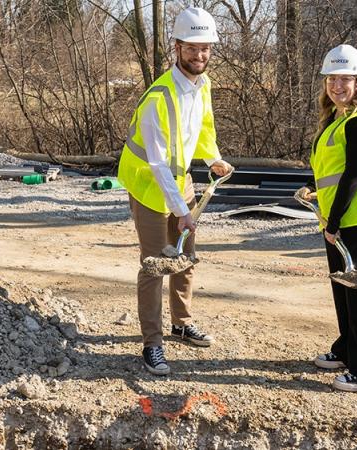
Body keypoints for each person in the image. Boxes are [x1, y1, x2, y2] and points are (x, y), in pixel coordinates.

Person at [118, 7, 234, 376]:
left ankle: (181, 323)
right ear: (177, 47)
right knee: (155, 265)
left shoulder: (204, 85)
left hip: (179, 180)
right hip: (149, 185)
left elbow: (204, 129)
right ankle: (152, 343)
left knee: (185, 255)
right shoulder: (159, 97)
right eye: (193, 48)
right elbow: (157, 164)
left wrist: (213, 159)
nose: (200, 56)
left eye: (206, 49)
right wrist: (182, 210)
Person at [298, 44, 357, 393]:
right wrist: (313, 188)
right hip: (339, 215)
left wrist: (333, 220)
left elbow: (354, 177)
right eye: (331, 79)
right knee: (343, 286)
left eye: (345, 79)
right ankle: (347, 350)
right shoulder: (338, 118)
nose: (337, 85)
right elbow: (334, 168)